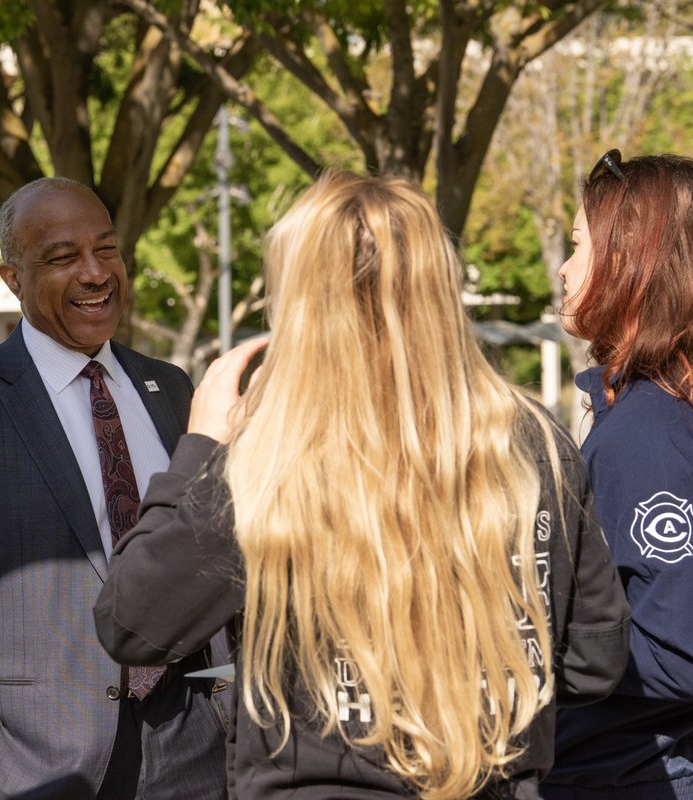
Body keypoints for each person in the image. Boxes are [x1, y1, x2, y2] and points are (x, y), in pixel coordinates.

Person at [94, 170, 631, 799]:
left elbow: (133, 622)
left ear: (301, 300)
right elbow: (595, 660)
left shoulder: (272, 456)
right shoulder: (533, 440)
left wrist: (201, 448)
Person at [0, 177, 230, 799]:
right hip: (34, 768)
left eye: (107, 250)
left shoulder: (173, 389)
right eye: (62, 257)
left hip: (192, 754)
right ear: (13, 278)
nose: (96, 273)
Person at [541, 152, 693, 799]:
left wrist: (542, 646)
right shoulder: (658, 410)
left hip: (642, 771)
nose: (563, 268)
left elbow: (688, 654)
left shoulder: (647, 435)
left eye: (579, 246)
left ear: (630, 262)